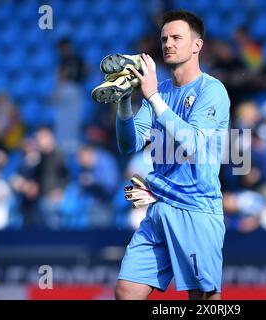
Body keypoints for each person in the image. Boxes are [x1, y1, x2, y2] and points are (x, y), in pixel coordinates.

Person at [98, 11, 230, 300]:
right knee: (126, 290)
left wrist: (152, 97)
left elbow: (192, 142)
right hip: (159, 206)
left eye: (176, 38)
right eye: (164, 38)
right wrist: (123, 104)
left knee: (203, 299)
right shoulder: (159, 91)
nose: (168, 44)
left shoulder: (213, 90)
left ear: (197, 45)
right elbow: (128, 145)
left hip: (195, 209)